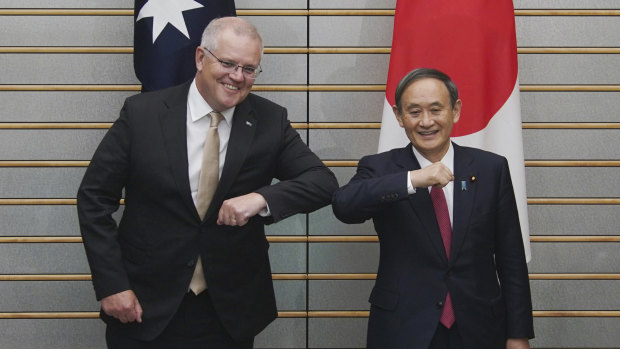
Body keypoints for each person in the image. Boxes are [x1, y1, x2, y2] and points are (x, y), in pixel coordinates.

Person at [77, 17, 338, 349]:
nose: (237, 77)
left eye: (249, 69)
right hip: (144, 305)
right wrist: (112, 284)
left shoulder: (270, 121)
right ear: (201, 58)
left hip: (228, 312)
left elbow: (322, 182)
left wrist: (261, 198)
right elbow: (93, 199)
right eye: (228, 63)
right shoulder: (142, 114)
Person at [332, 68, 534, 349]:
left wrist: (518, 333)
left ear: (456, 110)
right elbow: (344, 206)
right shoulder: (380, 168)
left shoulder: (491, 168)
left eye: (436, 109)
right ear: (399, 116)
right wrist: (413, 179)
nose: (426, 122)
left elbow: (510, 258)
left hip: (480, 327)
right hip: (404, 328)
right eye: (414, 112)